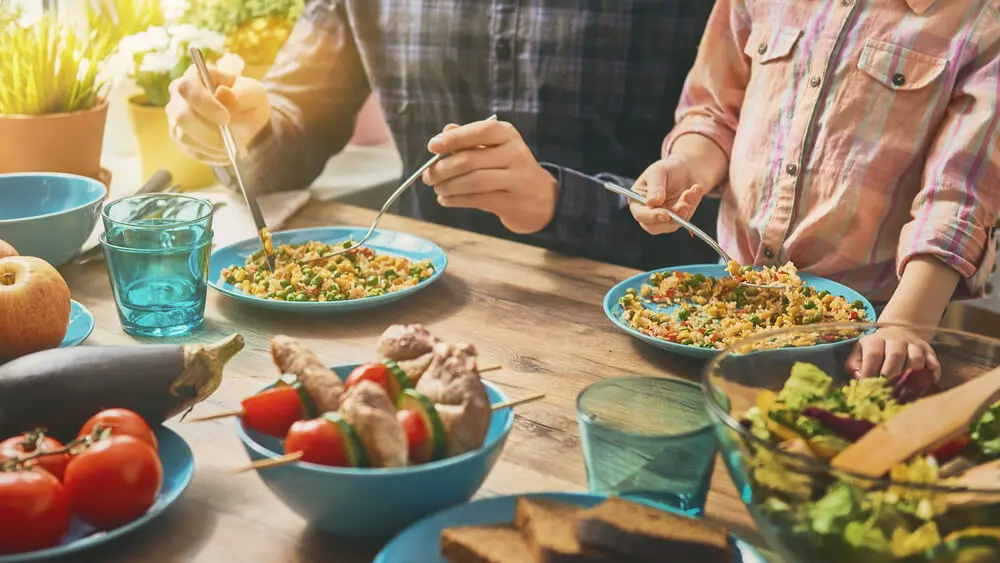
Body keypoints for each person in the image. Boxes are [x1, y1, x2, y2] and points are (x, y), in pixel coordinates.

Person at [165, 0, 720, 270]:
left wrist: (559, 201)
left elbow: (740, 217)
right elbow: (289, 131)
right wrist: (244, 128)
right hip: (417, 304)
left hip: (641, 327)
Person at [628, 0, 1000, 379]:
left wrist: (905, 324)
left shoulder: (982, 18)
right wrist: (684, 167)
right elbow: (714, 113)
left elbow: (959, 197)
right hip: (728, 304)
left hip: (870, 330)